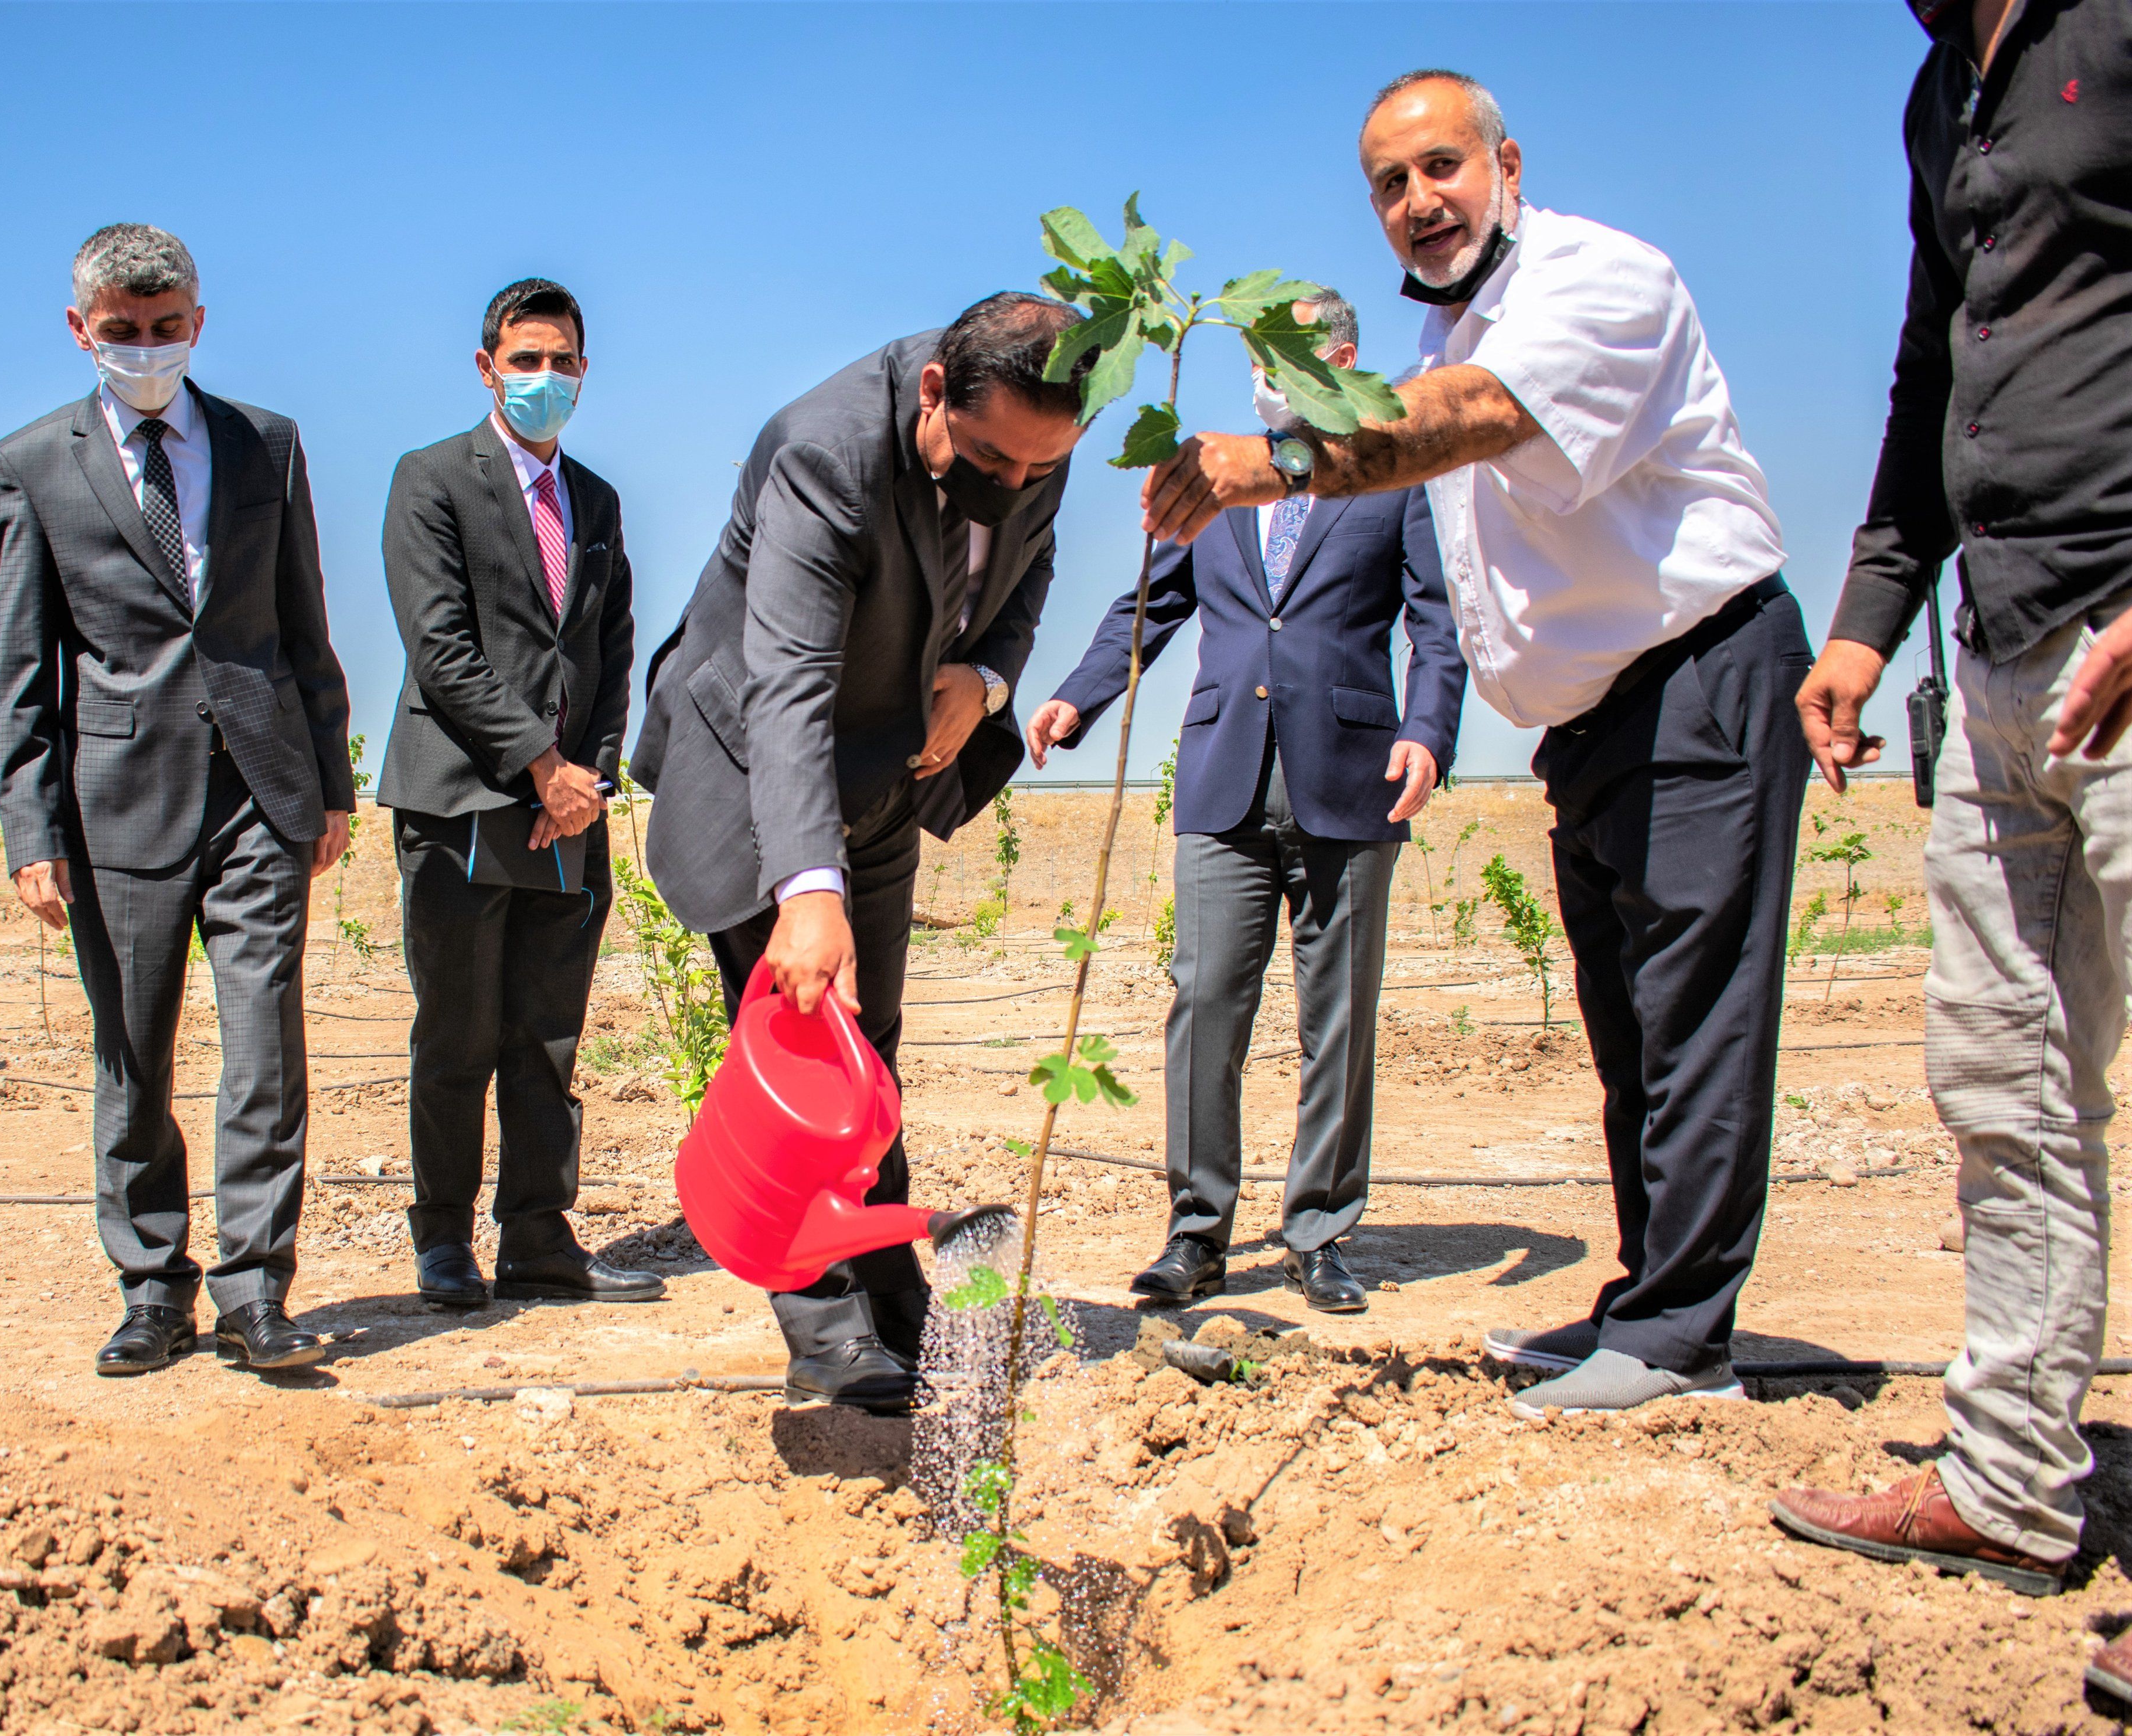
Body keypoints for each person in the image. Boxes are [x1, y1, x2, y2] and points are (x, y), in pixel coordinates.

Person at [1142, 70, 1807, 1418]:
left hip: (1698, 685)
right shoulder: (1460, 330)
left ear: (1506, 161)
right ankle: (1649, 1304)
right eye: (1389, 184)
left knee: (1694, 1020)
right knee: (1632, 1029)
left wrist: (1276, 457)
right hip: (1601, 722)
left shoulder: (1594, 280)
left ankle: (1685, 1338)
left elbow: (1475, 424)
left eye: (1439, 167)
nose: (1416, 202)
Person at [1773, 0, 2132, 1640]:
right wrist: (1867, 621)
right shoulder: (1945, 89)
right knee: (2004, 1079)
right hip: (1994, 657)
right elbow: (1937, 363)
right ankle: (2006, 1476)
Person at [631, 292, 1092, 1412]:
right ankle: (828, 1326)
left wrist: (982, 684)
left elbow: (1026, 575)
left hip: (889, 771)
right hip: (759, 774)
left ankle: (891, 1289)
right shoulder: (823, 451)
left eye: (1038, 468)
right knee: (797, 1054)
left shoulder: (1032, 444)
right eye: (992, 460)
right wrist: (806, 892)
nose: (1015, 486)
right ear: (936, 389)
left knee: (867, 1063)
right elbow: (787, 678)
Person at [1026, 290, 1464, 1313]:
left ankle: (1320, 1231)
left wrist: (1428, 732)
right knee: (1205, 1005)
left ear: (1343, 357)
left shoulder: (1391, 476)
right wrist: (1075, 697)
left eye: (1290, 350)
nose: (1264, 371)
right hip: (1224, 779)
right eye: (1257, 352)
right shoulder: (1213, 475)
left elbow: (1435, 621)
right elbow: (1152, 602)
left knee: (1338, 1018)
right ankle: (1196, 1235)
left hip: (1353, 779)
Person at [0, 223, 355, 1378]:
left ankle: (256, 1288)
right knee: (133, 1056)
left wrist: (331, 781)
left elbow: (304, 621)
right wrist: (31, 827)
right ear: (79, 331)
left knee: (264, 1052)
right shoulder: (31, 464)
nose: (144, 349)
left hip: (261, 785)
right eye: (120, 334)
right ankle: (153, 1284)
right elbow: (24, 664)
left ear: (197, 320)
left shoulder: (266, 446)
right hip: (116, 805)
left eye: (163, 329)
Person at [375, 277, 659, 1311]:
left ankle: (539, 1232)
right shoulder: (433, 480)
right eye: (525, 359)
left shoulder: (598, 500)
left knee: (548, 1033)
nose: (545, 377)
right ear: (488, 365)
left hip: (566, 812)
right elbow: (440, 646)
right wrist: (536, 765)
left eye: (562, 360)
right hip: (463, 800)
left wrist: (587, 776)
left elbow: (610, 647)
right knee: (457, 1031)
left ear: (584, 371)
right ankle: (444, 1239)